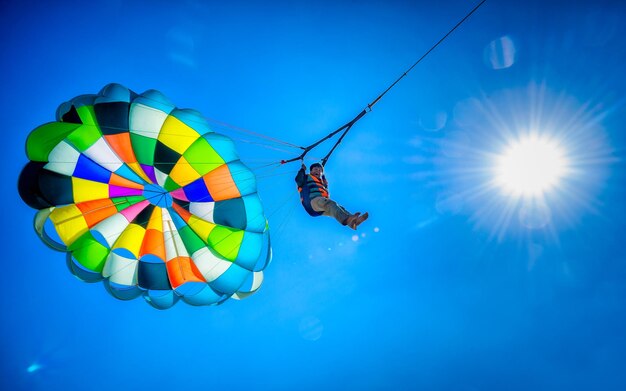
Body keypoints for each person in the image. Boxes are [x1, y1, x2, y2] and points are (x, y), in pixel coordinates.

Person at [295, 162, 368, 229]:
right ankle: (346, 220)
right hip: (311, 202)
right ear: (311, 171)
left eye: (320, 170)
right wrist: (302, 170)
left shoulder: (322, 183)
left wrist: (324, 181)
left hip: (318, 210)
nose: (317, 171)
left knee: (339, 208)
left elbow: (324, 188)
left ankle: (353, 223)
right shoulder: (306, 177)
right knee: (331, 203)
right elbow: (298, 180)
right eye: (315, 169)